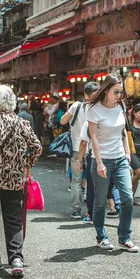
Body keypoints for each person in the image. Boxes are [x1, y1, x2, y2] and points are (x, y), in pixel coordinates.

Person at [0, 84, 42, 277]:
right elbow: (36, 147)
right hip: (14, 179)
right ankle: (16, 259)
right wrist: (26, 165)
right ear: (12, 102)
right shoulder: (22, 123)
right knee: (13, 219)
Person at [86, 74, 138, 252]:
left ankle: (124, 237)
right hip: (102, 160)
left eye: (121, 92)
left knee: (128, 199)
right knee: (100, 202)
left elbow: (123, 131)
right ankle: (101, 236)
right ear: (106, 89)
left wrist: (127, 153)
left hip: (120, 159)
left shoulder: (121, 106)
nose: (119, 96)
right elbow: (93, 137)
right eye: (116, 92)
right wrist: (99, 162)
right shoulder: (94, 109)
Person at [60, 82, 100, 219]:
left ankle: (76, 210)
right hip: (93, 149)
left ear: (85, 94)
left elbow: (62, 121)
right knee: (93, 180)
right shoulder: (99, 107)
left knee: (76, 181)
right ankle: (92, 209)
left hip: (77, 148)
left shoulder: (76, 106)